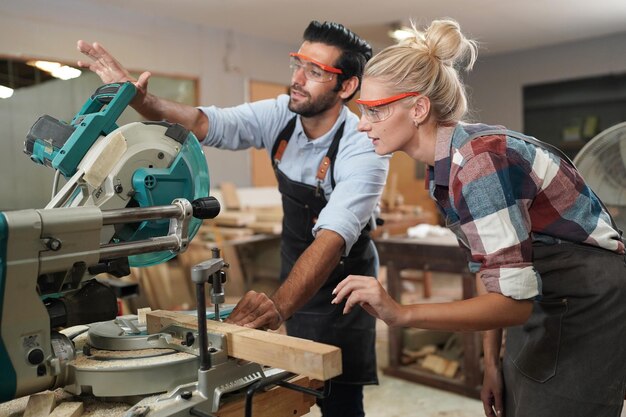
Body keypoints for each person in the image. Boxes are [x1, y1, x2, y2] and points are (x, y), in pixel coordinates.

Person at [77, 20, 389, 417]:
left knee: (340, 393)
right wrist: (138, 100)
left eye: (315, 72)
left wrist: (276, 307)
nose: (296, 79)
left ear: (346, 87)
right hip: (297, 262)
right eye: (297, 64)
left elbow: (332, 236)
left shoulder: (364, 146)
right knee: (303, 383)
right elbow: (205, 123)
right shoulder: (283, 115)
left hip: (344, 281)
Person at [331, 18, 626, 417]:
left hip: (593, 299)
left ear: (418, 108)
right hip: (543, 293)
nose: (362, 124)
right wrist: (492, 364)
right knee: (518, 393)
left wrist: (402, 313)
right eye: (361, 110)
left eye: (374, 111)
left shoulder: (477, 163)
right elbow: (490, 274)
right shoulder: (443, 170)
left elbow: (511, 303)